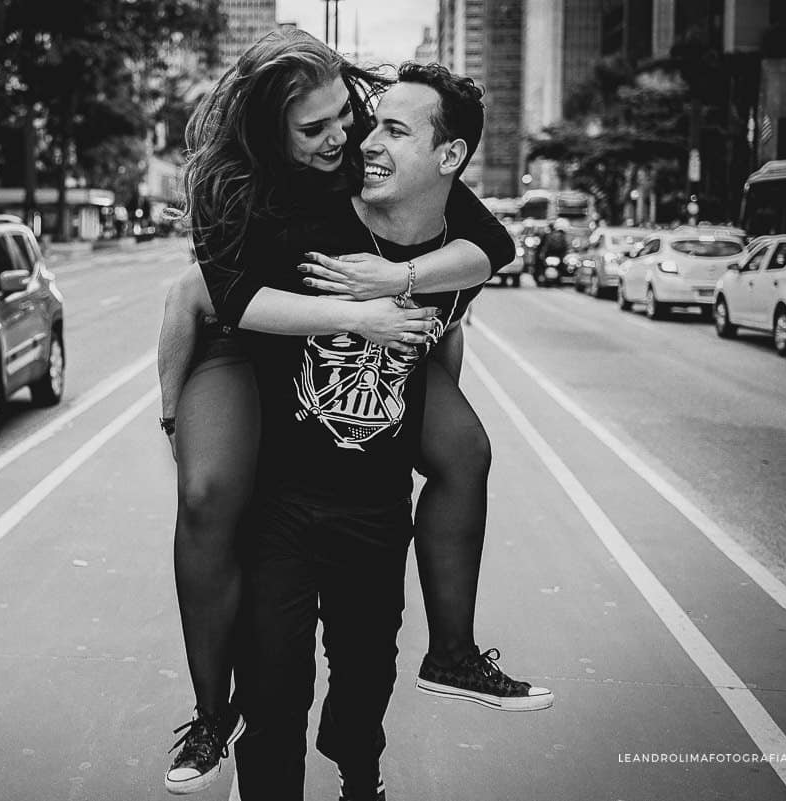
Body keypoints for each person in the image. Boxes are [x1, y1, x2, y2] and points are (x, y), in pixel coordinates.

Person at [158, 31, 550, 798]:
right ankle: (213, 713)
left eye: (353, 115)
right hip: (236, 346)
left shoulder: (388, 169)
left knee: (466, 452)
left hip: (360, 478)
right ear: (273, 132)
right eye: (318, 128)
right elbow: (205, 298)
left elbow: (487, 250)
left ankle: (452, 653)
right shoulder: (251, 193)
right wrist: (172, 401)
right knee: (209, 498)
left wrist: (399, 283)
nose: (346, 137)